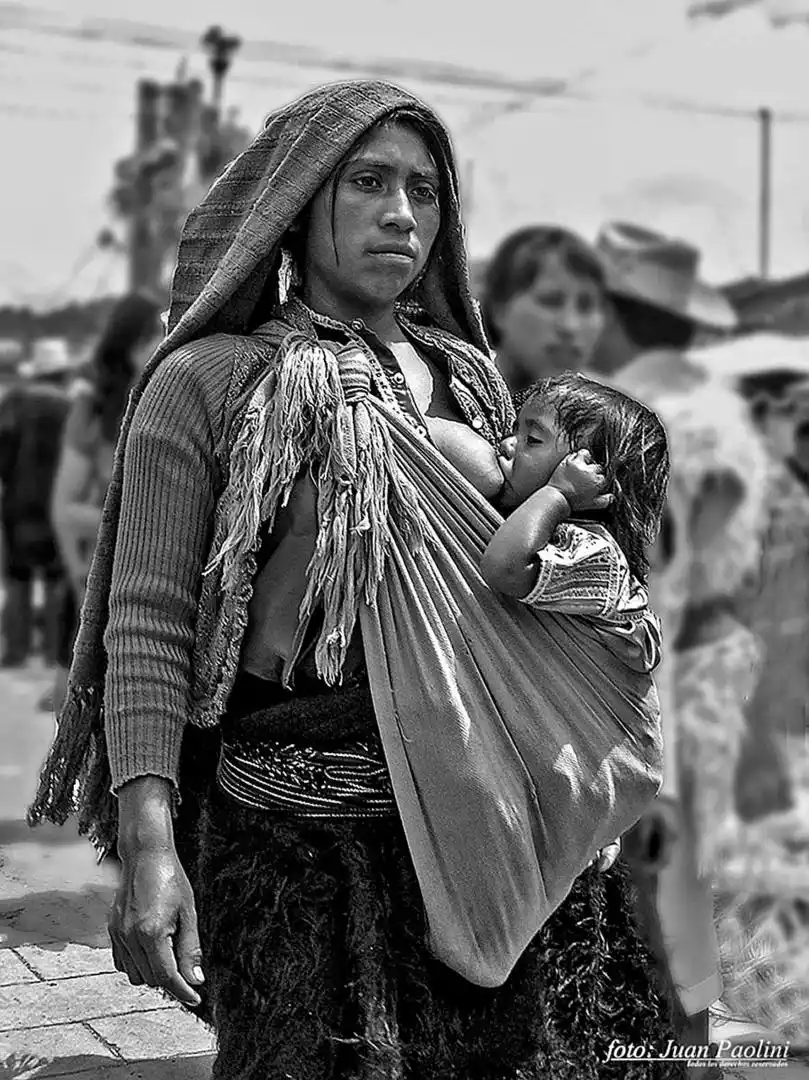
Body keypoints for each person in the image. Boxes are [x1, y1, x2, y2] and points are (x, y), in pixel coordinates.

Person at [30, 82, 681, 1079]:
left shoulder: (468, 381)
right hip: (283, 848)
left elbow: (522, 613)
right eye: (367, 183)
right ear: (298, 203)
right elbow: (149, 624)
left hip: (469, 849)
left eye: (422, 190)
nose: (401, 214)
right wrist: (151, 847)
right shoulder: (205, 382)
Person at [591, 221, 765, 1065]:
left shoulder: (626, 418)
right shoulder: (724, 418)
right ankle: (687, 1038)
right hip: (709, 673)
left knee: (643, 879)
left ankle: (666, 1045)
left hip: (642, 670)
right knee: (678, 884)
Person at [481, 374, 668, 669]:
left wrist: (558, 493)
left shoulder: (597, 554)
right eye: (513, 430)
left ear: (590, 476)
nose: (506, 444)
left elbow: (502, 569)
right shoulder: (547, 530)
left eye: (532, 440)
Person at [49, 293, 162, 714]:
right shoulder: (94, 409)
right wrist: (82, 572)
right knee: (84, 712)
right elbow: (65, 508)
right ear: (134, 344)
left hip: (154, 584)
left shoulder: (169, 400)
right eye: (156, 333)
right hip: (106, 579)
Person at [0, 339, 72, 668]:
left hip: (19, 503)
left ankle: (16, 651)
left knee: (19, 577)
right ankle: (52, 652)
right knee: (56, 578)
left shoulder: (16, 403)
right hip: (57, 503)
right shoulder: (71, 405)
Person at [480, 225, 607, 392]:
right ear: (500, 308)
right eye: (550, 301)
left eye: (587, 306)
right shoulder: (445, 395)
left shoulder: (610, 413)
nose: (570, 326)